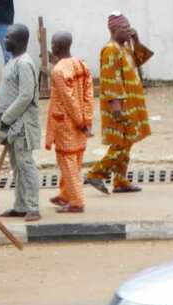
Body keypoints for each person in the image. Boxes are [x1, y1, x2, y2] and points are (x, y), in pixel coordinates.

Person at [85, 13, 153, 195]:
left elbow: (141, 59)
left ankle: (121, 181)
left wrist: (136, 38)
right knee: (121, 143)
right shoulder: (110, 50)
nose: (129, 31)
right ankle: (95, 173)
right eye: (125, 29)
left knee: (127, 142)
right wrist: (116, 106)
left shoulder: (124, 48)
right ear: (114, 31)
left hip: (131, 103)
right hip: (119, 106)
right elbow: (110, 79)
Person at [0, 24, 42, 222]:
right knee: (16, 166)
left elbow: (25, 96)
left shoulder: (24, 64)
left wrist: (6, 118)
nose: (5, 40)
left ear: (20, 40)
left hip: (20, 125)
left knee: (25, 164)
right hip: (11, 126)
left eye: (9, 37)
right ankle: (20, 205)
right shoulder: (12, 62)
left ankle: (33, 207)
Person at [45, 32, 94, 214]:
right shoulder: (81, 64)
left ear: (57, 46)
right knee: (75, 159)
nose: (51, 46)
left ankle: (76, 201)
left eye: (52, 43)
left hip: (67, 123)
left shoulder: (58, 70)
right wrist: (87, 119)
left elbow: (69, 99)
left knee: (67, 160)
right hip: (80, 121)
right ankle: (65, 194)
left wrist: (80, 122)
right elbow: (89, 94)